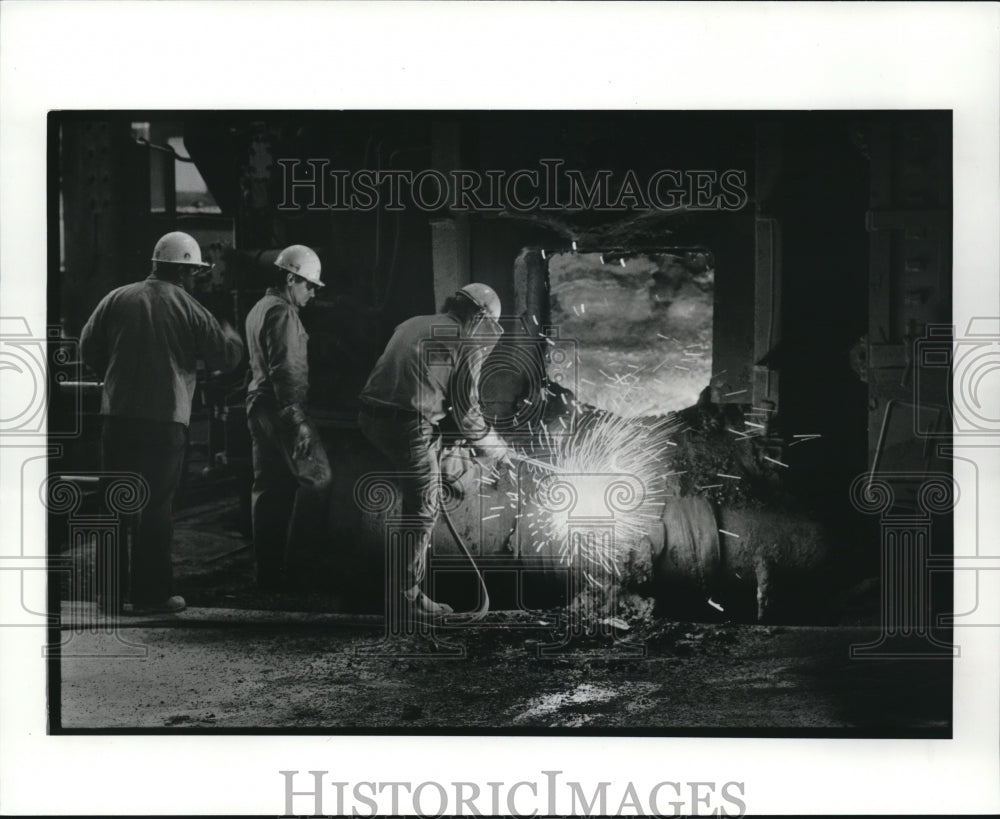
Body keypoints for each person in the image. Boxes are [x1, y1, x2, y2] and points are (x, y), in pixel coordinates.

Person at [80, 231, 243, 614]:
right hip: (165, 421)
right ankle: (151, 596)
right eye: (194, 274)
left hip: (117, 416)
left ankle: (110, 593)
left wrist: (114, 377)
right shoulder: (190, 307)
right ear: (186, 271)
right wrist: (232, 336)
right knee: (155, 508)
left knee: (114, 503)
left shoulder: (117, 297)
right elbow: (226, 359)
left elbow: (88, 347)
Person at [358, 282, 514, 619]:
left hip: (369, 417)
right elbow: (469, 416)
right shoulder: (468, 341)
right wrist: (499, 449)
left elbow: (423, 382)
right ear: (480, 317)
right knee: (424, 505)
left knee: (437, 464)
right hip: (405, 425)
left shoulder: (414, 321)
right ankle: (407, 599)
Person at [244, 245, 333, 591]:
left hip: (258, 405)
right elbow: (287, 368)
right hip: (281, 408)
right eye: (308, 285)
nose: (312, 293)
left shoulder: (258, 308)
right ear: (291, 278)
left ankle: (268, 573)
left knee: (268, 487)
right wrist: (298, 422)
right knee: (318, 479)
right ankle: (301, 570)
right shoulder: (282, 313)